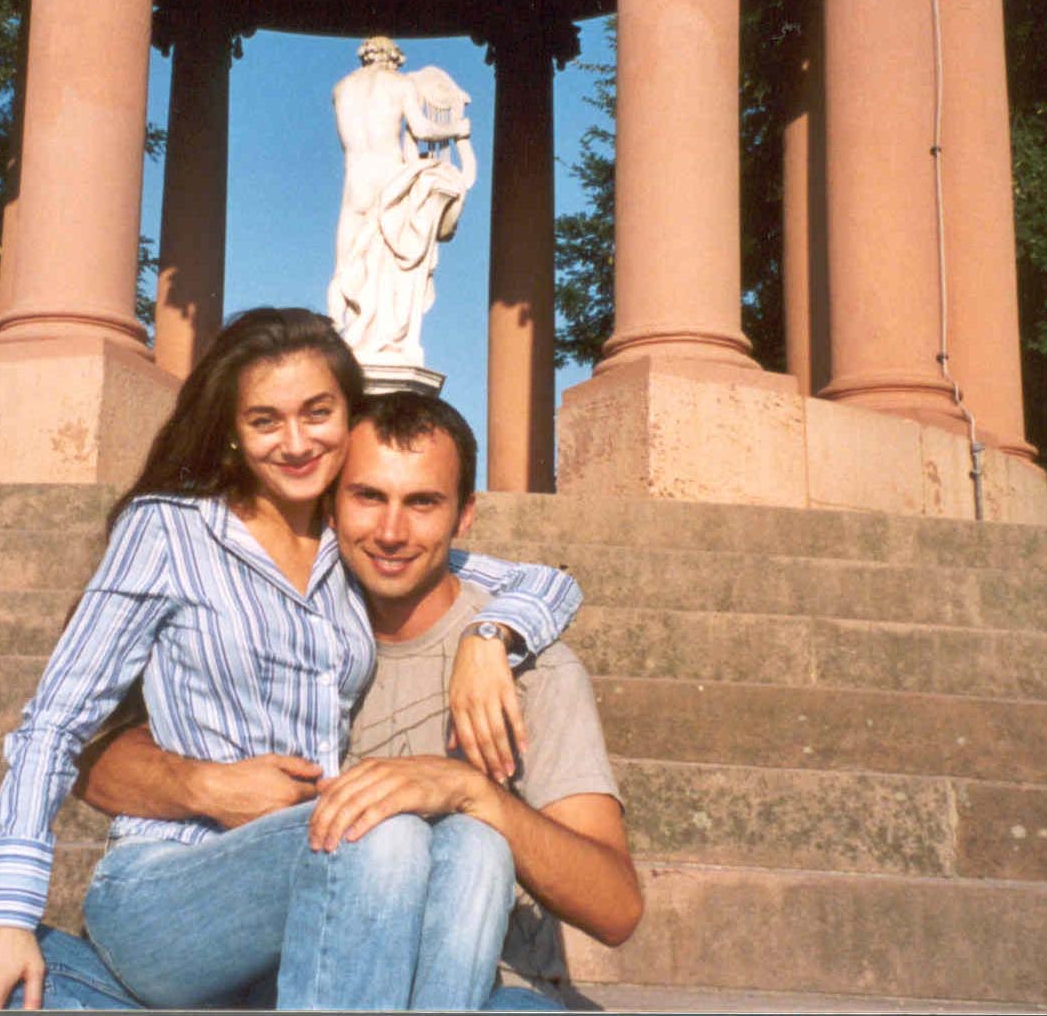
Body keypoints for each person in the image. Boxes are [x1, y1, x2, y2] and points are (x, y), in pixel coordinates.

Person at [0, 308, 582, 1010]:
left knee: (478, 847)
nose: (296, 443)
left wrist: (489, 637)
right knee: (377, 830)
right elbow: (55, 722)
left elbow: (547, 583)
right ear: (233, 432)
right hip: (171, 883)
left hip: (326, 875)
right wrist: (1, 915)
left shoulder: (349, 540)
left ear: (349, 415)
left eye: (317, 413)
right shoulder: (170, 529)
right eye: (265, 420)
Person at [68, 393, 642, 1010]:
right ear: (331, 505)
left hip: (485, 986)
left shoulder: (532, 671)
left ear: (464, 515)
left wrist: (473, 793)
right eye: (368, 496)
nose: (391, 533)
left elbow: (615, 908)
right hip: (306, 968)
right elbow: (91, 760)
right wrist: (206, 786)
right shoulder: (278, 621)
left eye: (422, 503)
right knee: (26, 973)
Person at [328, 36, 477, 367]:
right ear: (394, 58)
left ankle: (342, 333)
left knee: (347, 263)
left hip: (355, 181)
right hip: (388, 177)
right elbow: (422, 129)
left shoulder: (341, 88)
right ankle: (382, 339)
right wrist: (458, 127)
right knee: (389, 266)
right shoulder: (400, 84)